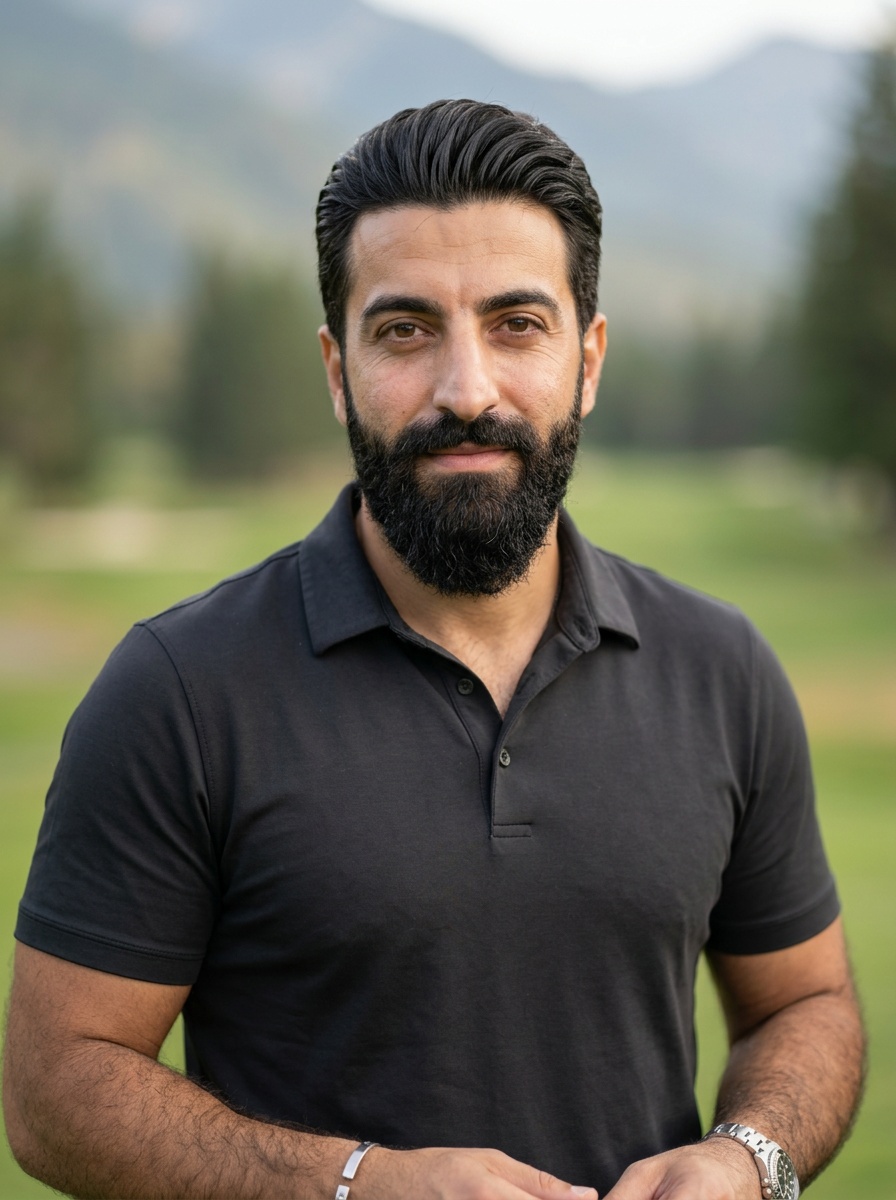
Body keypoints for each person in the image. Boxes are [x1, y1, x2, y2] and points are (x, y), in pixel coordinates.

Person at [3, 100, 864, 1200]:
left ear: (587, 358)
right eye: (405, 330)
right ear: (335, 366)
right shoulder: (178, 692)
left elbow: (805, 1003)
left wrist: (747, 1158)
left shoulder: (722, 669)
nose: (466, 390)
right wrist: (354, 1183)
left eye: (517, 324)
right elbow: (54, 1090)